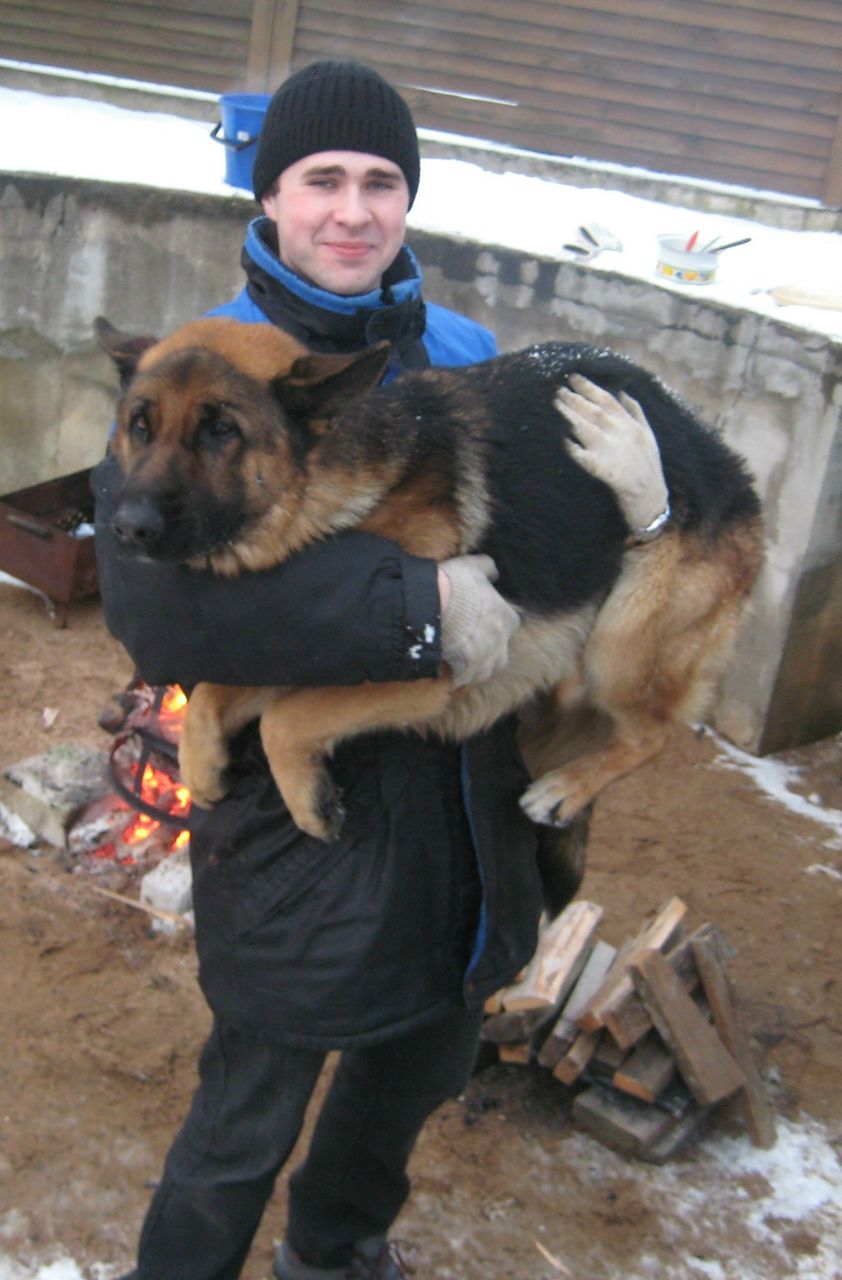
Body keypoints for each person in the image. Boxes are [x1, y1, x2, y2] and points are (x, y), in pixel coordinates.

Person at [94, 60, 670, 1280]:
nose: (352, 210)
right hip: (307, 832)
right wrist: (415, 607)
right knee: (247, 1105)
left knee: (415, 1068)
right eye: (321, 181)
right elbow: (155, 604)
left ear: (406, 201)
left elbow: (531, 538)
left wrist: (645, 517)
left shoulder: (457, 347)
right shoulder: (196, 364)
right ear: (270, 198)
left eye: (379, 182)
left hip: (464, 796)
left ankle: (336, 1249)